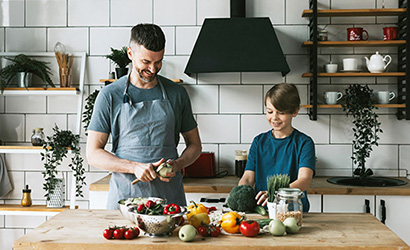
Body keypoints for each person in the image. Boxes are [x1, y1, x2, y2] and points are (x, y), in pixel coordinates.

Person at [86, 23, 202, 209]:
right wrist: (134, 167)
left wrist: (177, 165)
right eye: (146, 62)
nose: (153, 69)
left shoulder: (176, 94)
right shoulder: (109, 95)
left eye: (158, 62)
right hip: (126, 199)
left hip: (169, 200)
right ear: (130, 54)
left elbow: (195, 145)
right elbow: (93, 154)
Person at [238, 83, 315, 212]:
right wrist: (240, 191)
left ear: (295, 111)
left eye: (281, 112)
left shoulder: (304, 143)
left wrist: (275, 194)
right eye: (270, 111)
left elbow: (304, 180)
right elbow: (248, 177)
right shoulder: (259, 142)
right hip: (262, 210)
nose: (274, 117)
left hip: (293, 211)